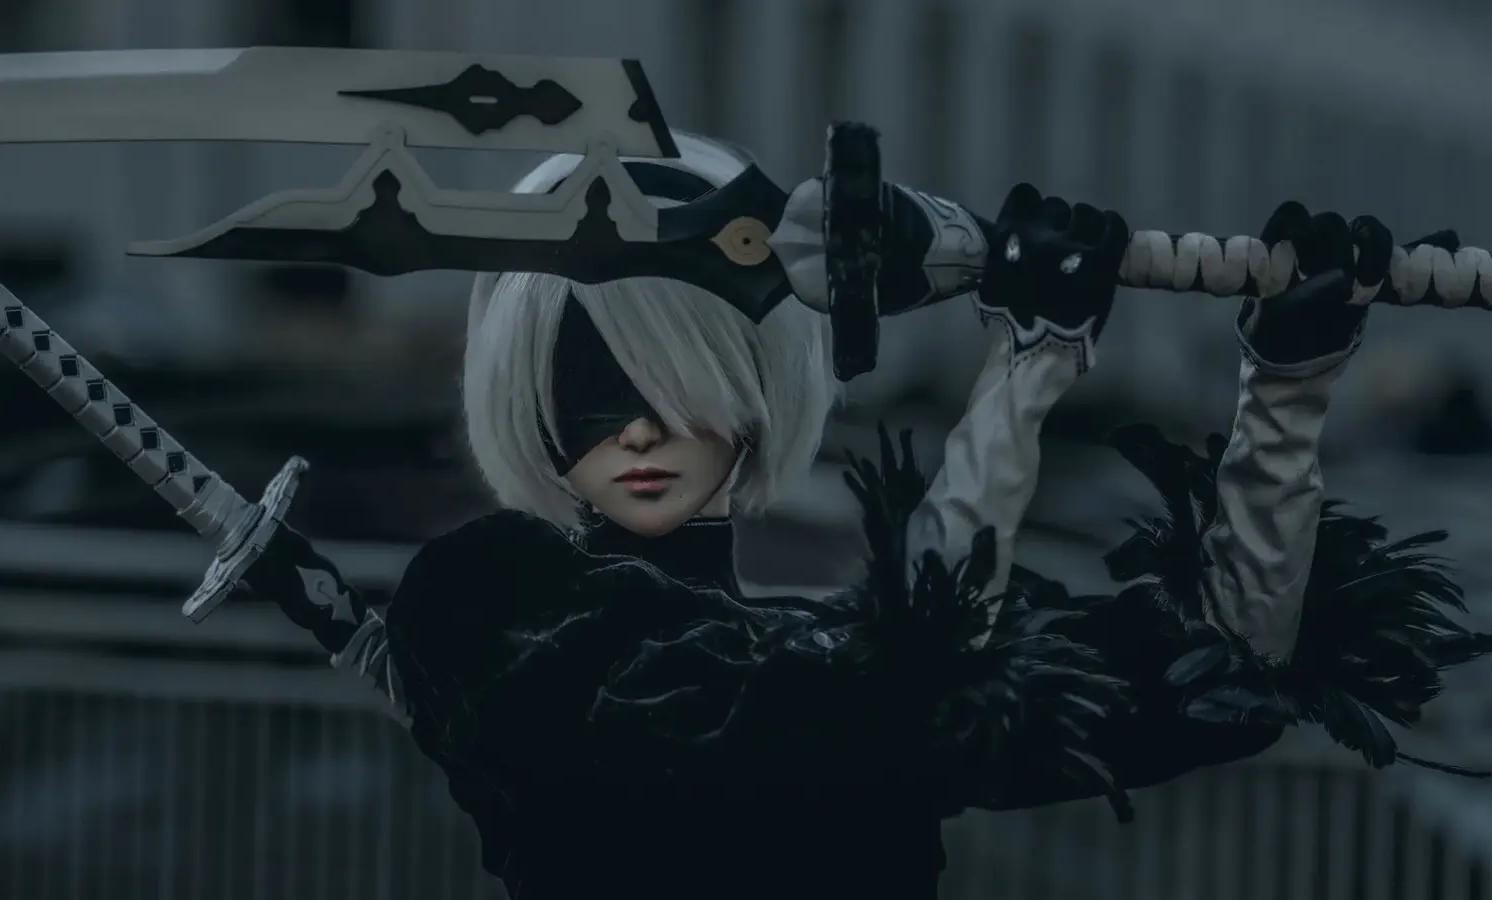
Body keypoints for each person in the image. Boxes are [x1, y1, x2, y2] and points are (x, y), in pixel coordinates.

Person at [240, 132, 1488, 899]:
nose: (639, 431)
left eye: (679, 384)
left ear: (748, 395)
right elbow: (852, 712)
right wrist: (1025, 370)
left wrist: (1286, 383)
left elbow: (1223, 670)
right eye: (593, 388)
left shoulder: (815, 656)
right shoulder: (497, 616)